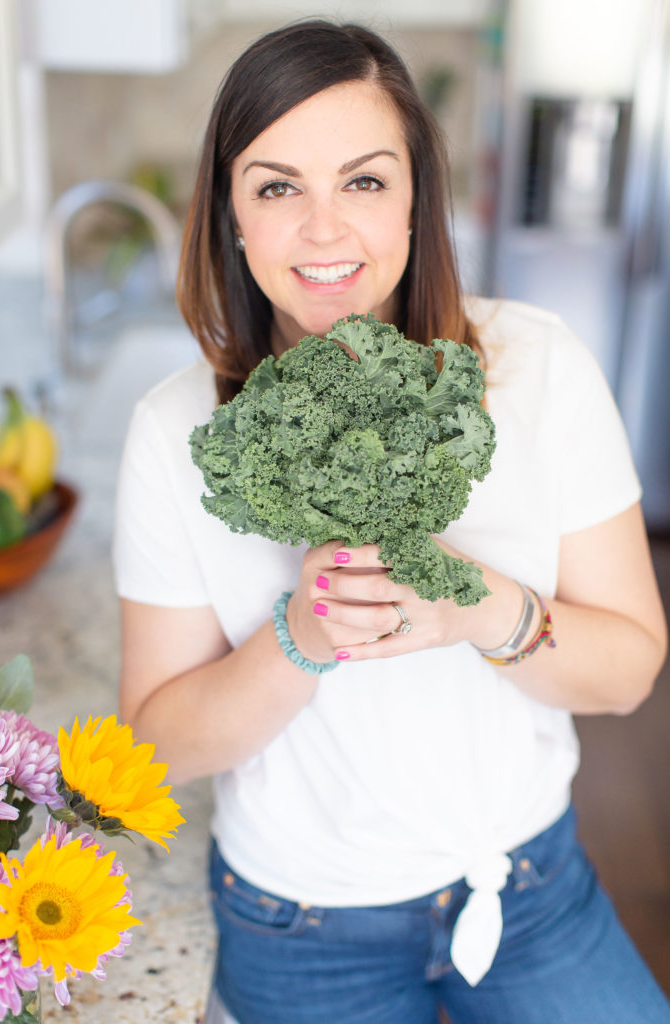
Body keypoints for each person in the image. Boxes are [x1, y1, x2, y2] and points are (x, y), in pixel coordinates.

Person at [113, 20, 669, 1024]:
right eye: (277, 186)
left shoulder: (537, 365)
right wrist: (303, 633)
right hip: (302, 923)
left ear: (416, 196)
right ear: (231, 214)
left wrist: (476, 609)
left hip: (527, 885)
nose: (324, 230)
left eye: (363, 181)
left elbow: (628, 670)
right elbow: (157, 745)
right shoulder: (173, 428)